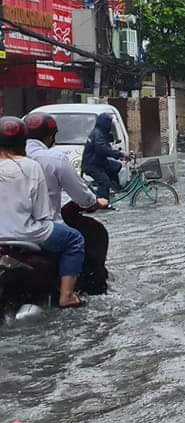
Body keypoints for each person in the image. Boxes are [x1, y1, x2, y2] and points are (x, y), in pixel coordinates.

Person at [0, 116, 86, 307]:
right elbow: (41, 213)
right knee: (75, 240)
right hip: (27, 234)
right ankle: (67, 296)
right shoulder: (31, 166)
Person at [25, 113, 110, 295]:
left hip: (7, 229)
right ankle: (68, 295)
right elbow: (82, 197)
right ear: (51, 136)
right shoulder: (54, 158)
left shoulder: (9, 162)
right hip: (42, 228)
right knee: (75, 240)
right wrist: (95, 202)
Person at [82, 113, 124, 199]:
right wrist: (120, 154)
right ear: (105, 124)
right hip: (91, 165)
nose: (110, 126)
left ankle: (113, 187)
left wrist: (119, 155)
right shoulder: (97, 134)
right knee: (104, 182)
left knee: (116, 166)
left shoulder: (101, 133)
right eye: (109, 123)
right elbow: (102, 149)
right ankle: (102, 203)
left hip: (99, 162)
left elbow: (108, 148)